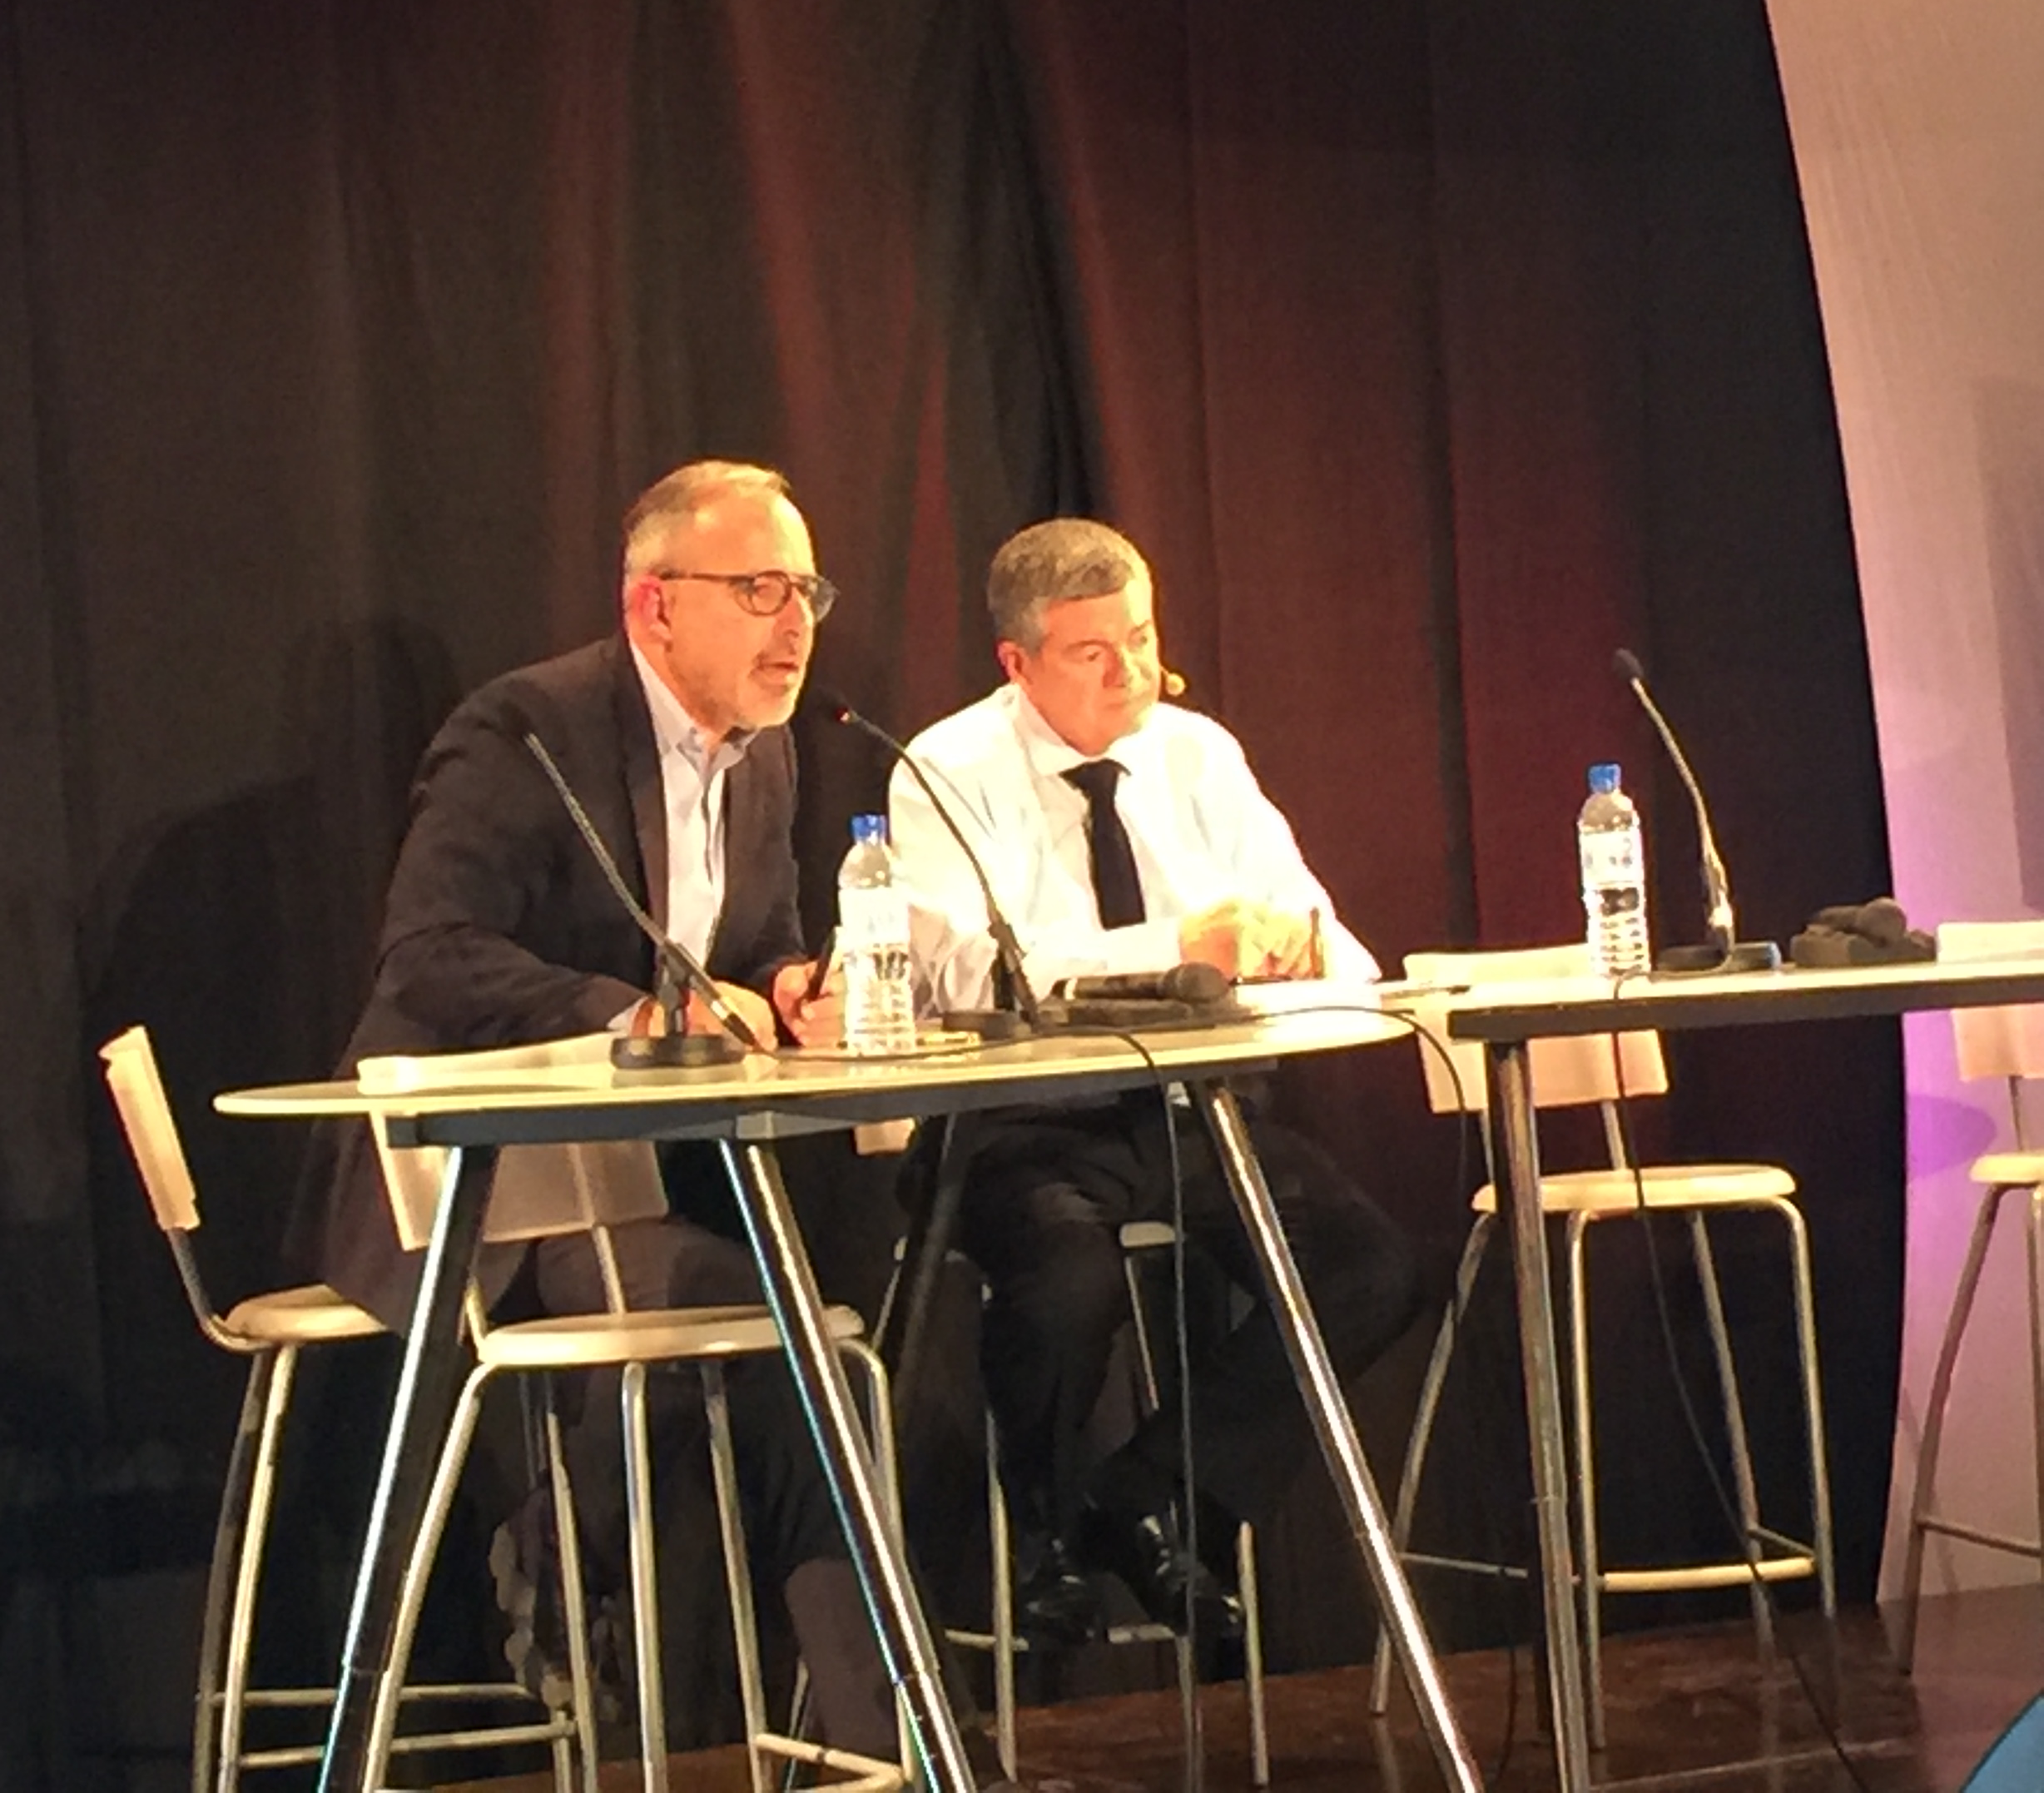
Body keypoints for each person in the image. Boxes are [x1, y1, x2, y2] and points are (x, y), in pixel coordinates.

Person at [291, 459, 895, 1756]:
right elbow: (427, 955)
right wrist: (630, 1015)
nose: (796, 623)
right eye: (760, 589)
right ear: (654, 604)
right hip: (466, 1183)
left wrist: (797, 986)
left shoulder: (767, 755)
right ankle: (616, 1649)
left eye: (807, 592)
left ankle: (878, 1745)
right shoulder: (527, 731)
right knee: (748, 1329)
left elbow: (757, 940)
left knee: (817, 1334)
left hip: (632, 1179)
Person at [886, 515, 1418, 1646]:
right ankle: (1041, 1539)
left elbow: (1334, 939)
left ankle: (1148, 1493)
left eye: (1141, 638)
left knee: (1369, 1265)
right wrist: (1178, 948)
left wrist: (1294, 944)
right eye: (1093, 652)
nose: (1130, 670)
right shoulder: (945, 768)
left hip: (1192, 1112)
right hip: (1020, 1124)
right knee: (1066, 1281)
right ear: (1018, 663)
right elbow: (972, 974)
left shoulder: (1197, 754)